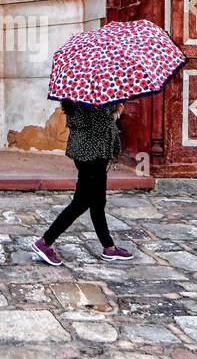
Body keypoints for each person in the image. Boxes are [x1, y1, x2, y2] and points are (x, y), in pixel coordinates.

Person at [32, 99, 134, 265]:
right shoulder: (95, 100)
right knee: (81, 203)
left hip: (84, 153)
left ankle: (109, 248)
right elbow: (101, 125)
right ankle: (45, 242)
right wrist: (116, 111)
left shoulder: (75, 97)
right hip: (94, 155)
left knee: (97, 202)